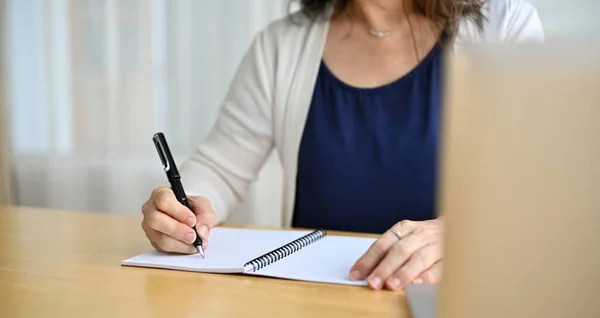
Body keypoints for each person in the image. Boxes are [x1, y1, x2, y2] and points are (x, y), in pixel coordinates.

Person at [140, 0, 544, 290]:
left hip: (450, 300)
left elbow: (537, 187)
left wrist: (463, 232)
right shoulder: (282, 45)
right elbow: (220, 168)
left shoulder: (505, 24)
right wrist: (176, 208)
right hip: (313, 305)